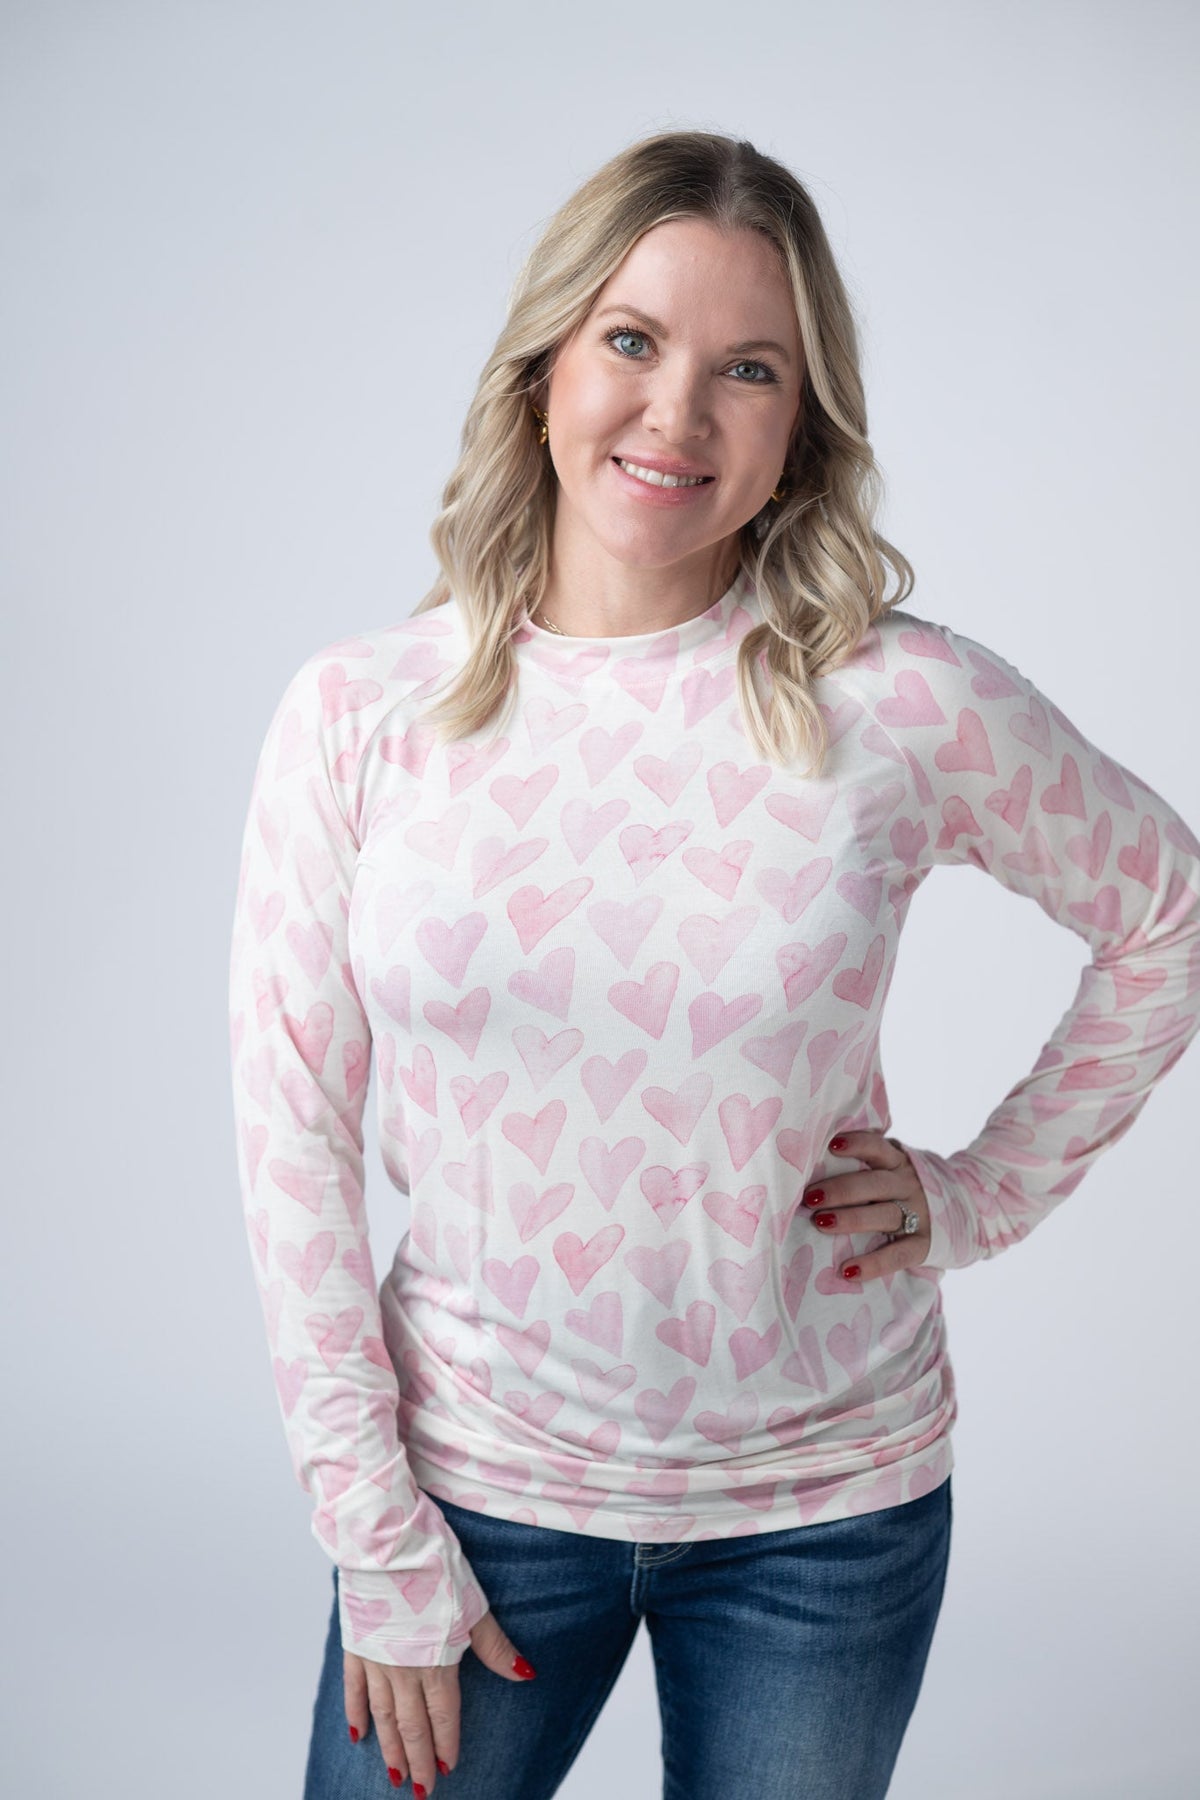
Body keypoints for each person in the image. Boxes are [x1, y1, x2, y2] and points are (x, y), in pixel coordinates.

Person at [228, 129, 1200, 1800]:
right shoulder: (361, 717)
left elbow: (1165, 911)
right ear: (542, 368)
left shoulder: (897, 702)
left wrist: (978, 1195)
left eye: (746, 369)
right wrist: (371, 1533)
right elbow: (293, 1145)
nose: (677, 413)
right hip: (468, 1489)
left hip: (825, 1520)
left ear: (799, 430)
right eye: (632, 341)